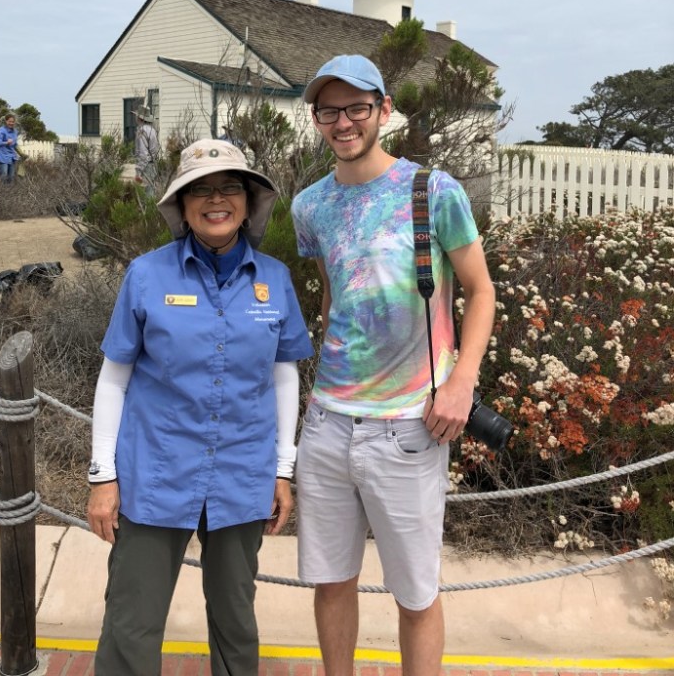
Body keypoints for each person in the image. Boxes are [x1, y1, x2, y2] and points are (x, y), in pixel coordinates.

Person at [291, 55, 496, 676]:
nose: (344, 122)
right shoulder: (310, 206)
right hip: (327, 424)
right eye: (330, 110)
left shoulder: (435, 190)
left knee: (416, 594)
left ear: (383, 111)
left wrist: (461, 381)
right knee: (331, 583)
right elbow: (334, 294)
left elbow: (480, 291)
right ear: (317, 119)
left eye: (357, 107)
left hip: (408, 427)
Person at [87, 138, 313, 676]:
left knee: (236, 621)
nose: (217, 199)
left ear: (248, 201)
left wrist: (283, 468)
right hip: (155, 473)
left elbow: (284, 376)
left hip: (241, 472)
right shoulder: (146, 275)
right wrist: (102, 476)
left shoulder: (275, 280)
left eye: (230, 187)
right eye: (201, 190)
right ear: (183, 205)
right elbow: (113, 379)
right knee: (131, 621)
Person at [132, 105, 160, 194]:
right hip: (153, 165)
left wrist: (138, 172)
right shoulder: (152, 130)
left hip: (146, 167)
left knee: (145, 195)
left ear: (139, 118)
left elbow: (143, 154)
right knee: (151, 192)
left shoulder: (142, 131)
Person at [0, 113, 20, 183]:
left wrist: (21, 153)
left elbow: (15, 144)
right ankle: (1, 193)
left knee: (11, 177)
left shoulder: (15, 132)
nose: (11, 123)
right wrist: (6, 142)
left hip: (12, 157)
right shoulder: (1, 130)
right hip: (2, 156)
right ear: (6, 121)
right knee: (4, 176)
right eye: (9, 121)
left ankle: (9, 193)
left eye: (13, 121)